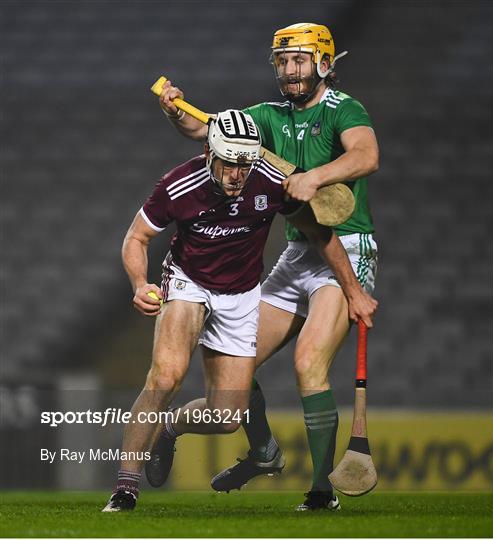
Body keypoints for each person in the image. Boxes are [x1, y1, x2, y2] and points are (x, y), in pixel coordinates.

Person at [102, 109, 377, 512]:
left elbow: (320, 234)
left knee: (226, 417)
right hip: (188, 282)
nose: (237, 174)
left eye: (245, 163)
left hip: (242, 294)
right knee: (166, 375)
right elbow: (136, 237)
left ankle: (170, 427)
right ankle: (125, 489)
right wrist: (140, 284)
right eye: (229, 162)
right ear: (210, 153)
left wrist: (354, 291)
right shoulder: (179, 186)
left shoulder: (268, 179)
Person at [156, 22, 379, 512]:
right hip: (300, 252)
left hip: (347, 248)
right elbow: (205, 128)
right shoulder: (268, 115)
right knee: (237, 366)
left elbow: (367, 155)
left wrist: (314, 177)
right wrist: (176, 111)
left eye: (298, 60)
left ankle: (321, 494)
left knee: (308, 365)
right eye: (282, 62)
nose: (289, 71)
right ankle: (263, 451)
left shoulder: (344, 108)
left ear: (323, 62)